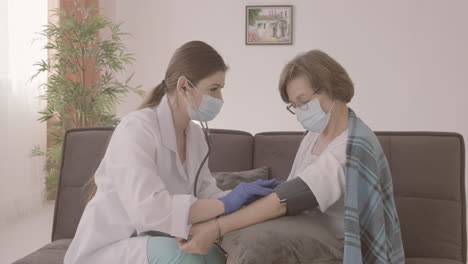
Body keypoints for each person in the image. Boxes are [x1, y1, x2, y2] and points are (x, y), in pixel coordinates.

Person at [64, 41, 281, 264]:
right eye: (213, 89)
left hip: (157, 239)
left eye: (221, 89)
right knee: (188, 259)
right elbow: (149, 210)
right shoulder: (136, 129)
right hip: (113, 246)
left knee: (215, 257)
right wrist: (226, 204)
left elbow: (205, 195)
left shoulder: (195, 136)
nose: (220, 99)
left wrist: (243, 198)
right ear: (184, 86)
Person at [179, 49, 405, 264]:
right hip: (304, 226)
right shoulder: (314, 134)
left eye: (304, 102)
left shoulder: (352, 147)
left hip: (337, 241)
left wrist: (217, 228)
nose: (299, 111)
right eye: (294, 105)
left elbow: (288, 200)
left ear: (332, 88)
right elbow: (292, 190)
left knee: (253, 245)